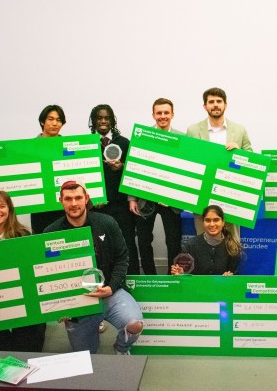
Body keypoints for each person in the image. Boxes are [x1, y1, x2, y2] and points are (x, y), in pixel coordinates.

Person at [44, 181, 143, 354]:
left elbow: (122, 258)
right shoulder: (51, 233)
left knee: (135, 324)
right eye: (68, 199)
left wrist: (111, 287)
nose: (74, 203)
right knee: (86, 354)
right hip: (78, 301)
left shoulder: (107, 223)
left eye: (78, 198)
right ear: (61, 201)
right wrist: (61, 306)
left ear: (86, 199)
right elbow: (48, 273)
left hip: (110, 293)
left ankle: (121, 348)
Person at [0, 104, 68, 234]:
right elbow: (7, 160)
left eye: (58, 120)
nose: (55, 123)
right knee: (43, 243)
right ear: (42, 122)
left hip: (66, 207)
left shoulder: (69, 146)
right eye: (50, 119)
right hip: (40, 209)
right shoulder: (28, 147)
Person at [0, 190, 46, 352]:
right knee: (5, 348)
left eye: (2, 206)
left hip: (26, 305)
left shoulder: (23, 235)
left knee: (26, 352)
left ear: (9, 210)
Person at [186, 87, 251, 240]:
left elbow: (251, 160)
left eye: (219, 101)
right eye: (211, 102)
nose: (215, 105)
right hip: (203, 194)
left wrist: (239, 152)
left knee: (232, 241)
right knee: (203, 240)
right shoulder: (193, 130)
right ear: (205, 106)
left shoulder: (239, 130)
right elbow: (188, 161)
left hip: (231, 193)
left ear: (225, 105)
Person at [128, 98, 183, 274]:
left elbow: (185, 172)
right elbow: (134, 168)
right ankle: (150, 277)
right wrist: (132, 198)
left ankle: (172, 278)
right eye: (159, 113)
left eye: (166, 112)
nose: (163, 116)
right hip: (145, 198)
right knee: (144, 240)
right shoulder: (142, 138)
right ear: (153, 115)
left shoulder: (183, 139)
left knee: (173, 241)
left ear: (172, 115)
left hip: (171, 201)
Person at [89, 104, 139, 275]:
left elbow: (135, 171)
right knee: (99, 246)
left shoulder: (124, 143)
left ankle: (132, 280)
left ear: (112, 121)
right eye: (99, 118)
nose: (103, 121)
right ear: (93, 121)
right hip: (95, 207)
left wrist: (122, 166)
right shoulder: (85, 145)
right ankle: (105, 281)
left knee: (127, 243)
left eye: (107, 118)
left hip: (121, 206)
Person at [170, 205, 242, 275]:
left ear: (223, 222)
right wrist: (180, 273)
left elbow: (235, 275)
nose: (212, 224)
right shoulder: (190, 245)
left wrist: (230, 278)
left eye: (216, 220)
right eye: (208, 220)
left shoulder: (232, 247)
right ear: (203, 222)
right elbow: (184, 273)